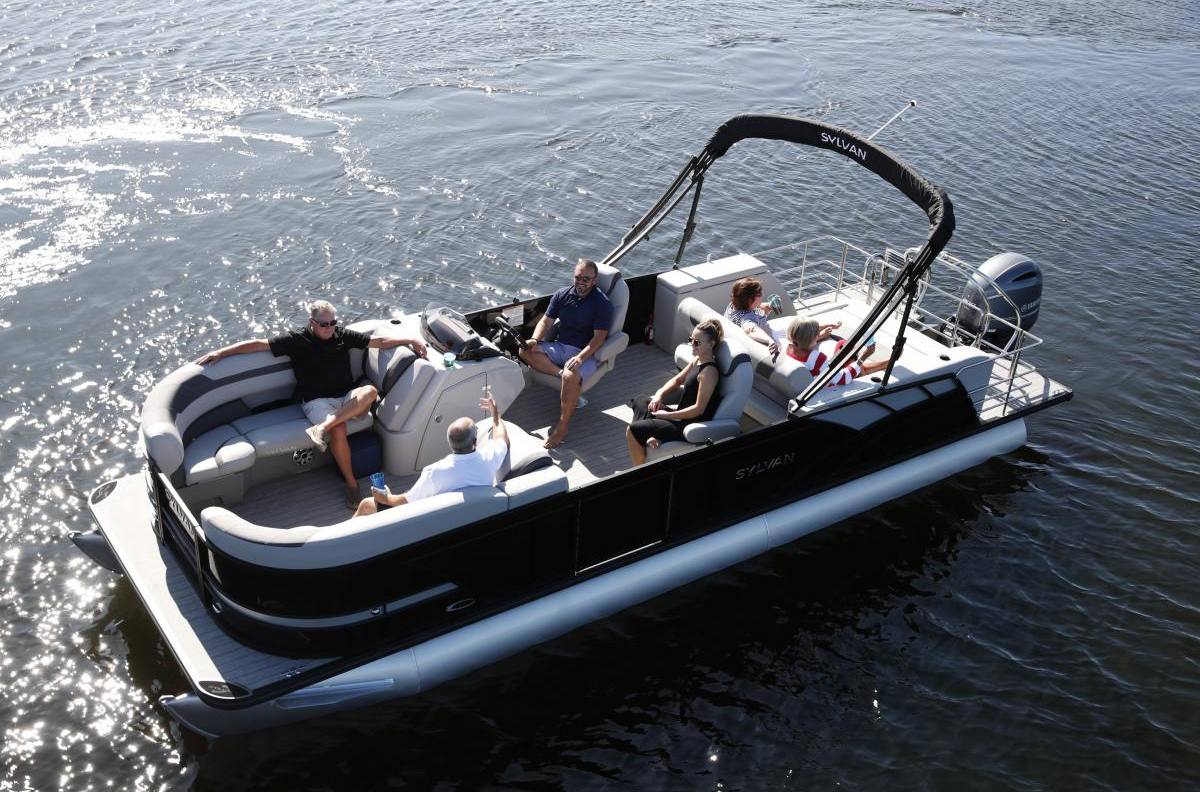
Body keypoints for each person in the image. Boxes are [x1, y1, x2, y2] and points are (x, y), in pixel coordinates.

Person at [196, 300, 427, 508]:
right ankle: (352, 485)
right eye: (324, 324)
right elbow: (257, 344)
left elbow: (378, 342)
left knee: (370, 391)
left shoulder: (342, 335)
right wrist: (221, 352)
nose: (329, 328)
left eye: (333, 323)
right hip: (316, 402)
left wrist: (411, 340)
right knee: (339, 429)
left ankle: (322, 428)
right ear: (312, 322)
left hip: (345, 397)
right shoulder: (297, 340)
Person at [354, 393, 509, 516]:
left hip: (434, 525)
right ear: (475, 441)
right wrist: (495, 414)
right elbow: (501, 438)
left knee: (366, 504)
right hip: (475, 517)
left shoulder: (435, 472)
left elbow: (406, 501)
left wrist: (385, 498)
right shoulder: (489, 458)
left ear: (450, 444)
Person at [518, 258, 613, 449]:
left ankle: (562, 427)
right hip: (560, 347)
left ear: (594, 280)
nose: (581, 282)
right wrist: (535, 340)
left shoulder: (602, 303)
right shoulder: (562, 295)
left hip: (585, 353)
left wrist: (579, 358)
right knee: (524, 350)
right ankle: (561, 374)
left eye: (586, 279)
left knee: (571, 375)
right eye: (578, 278)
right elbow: (546, 321)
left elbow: (599, 338)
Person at [625, 318, 723, 466]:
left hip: (686, 424)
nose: (692, 344)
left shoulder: (709, 372)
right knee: (641, 401)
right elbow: (677, 381)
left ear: (711, 344)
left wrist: (667, 415)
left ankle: (641, 471)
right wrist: (659, 396)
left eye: (697, 342)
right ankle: (650, 436)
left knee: (632, 430)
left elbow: (699, 409)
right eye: (691, 340)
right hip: (679, 417)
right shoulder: (697, 360)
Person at [785, 316, 890, 387]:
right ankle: (884, 364)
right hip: (829, 389)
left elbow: (801, 332)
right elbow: (843, 378)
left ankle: (877, 365)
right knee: (846, 348)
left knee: (841, 345)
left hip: (811, 377)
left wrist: (822, 333)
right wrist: (864, 356)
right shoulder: (817, 358)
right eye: (817, 333)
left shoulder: (788, 348)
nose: (818, 334)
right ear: (810, 337)